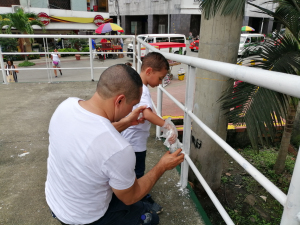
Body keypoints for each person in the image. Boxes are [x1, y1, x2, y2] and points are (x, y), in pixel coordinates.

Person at [45, 64, 184, 225]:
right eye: (132, 105)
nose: (132, 109)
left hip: (57, 203)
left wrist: (125, 122)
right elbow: (131, 196)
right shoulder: (118, 149)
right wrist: (162, 166)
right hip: (85, 218)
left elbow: (90, 134)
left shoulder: (66, 106)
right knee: (151, 218)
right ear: (119, 100)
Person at [121, 52, 178, 214]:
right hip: (135, 143)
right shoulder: (142, 89)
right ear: (149, 71)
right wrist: (167, 126)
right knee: (138, 174)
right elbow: (146, 113)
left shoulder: (135, 85)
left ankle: (135, 198)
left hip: (129, 139)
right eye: (160, 78)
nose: (160, 83)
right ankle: (140, 201)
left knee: (132, 172)